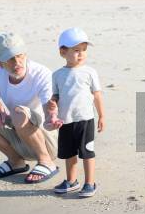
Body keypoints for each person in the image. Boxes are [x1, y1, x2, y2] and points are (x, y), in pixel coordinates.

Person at [0, 32, 59, 183]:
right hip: (19, 136)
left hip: (47, 139)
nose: (17, 62)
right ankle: (15, 161)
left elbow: (49, 106)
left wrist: (51, 116)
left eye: (20, 55)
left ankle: (46, 162)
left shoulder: (41, 73)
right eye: (10, 59)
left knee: (18, 112)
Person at [45, 27, 105, 197]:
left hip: (85, 119)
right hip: (65, 120)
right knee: (69, 153)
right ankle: (71, 181)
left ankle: (89, 183)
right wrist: (52, 103)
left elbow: (97, 95)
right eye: (76, 50)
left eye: (84, 50)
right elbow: (55, 96)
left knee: (87, 152)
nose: (81, 54)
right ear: (63, 52)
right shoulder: (57, 75)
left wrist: (102, 115)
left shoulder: (90, 72)